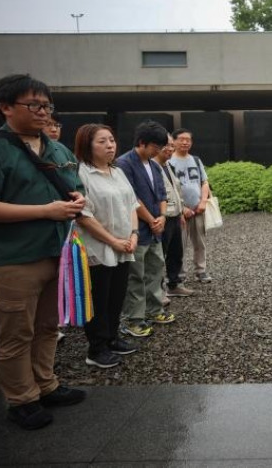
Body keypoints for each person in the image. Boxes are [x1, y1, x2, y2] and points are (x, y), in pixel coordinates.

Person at [0, 73, 88, 430]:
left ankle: (46, 384)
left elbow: (73, 187)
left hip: (57, 253)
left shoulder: (57, 148)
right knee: (16, 331)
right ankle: (21, 399)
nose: (44, 112)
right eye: (35, 105)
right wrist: (45, 211)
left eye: (47, 105)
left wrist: (77, 198)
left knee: (48, 325)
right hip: (14, 258)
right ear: (5, 107)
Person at [74, 124, 141, 368]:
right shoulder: (81, 174)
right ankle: (96, 348)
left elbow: (132, 204)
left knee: (116, 295)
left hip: (124, 245)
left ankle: (113, 337)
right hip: (98, 247)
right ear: (87, 145)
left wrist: (133, 234)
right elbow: (83, 215)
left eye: (111, 140)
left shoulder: (117, 172)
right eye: (102, 141)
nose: (110, 145)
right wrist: (113, 241)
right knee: (98, 298)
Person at [115, 120, 176, 338]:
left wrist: (161, 216)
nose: (159, 151)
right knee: (136, 276)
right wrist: (152, 220)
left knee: (155, 270)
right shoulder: (124, 164)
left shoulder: (154, 165)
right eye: (156, 147)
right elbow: (131, 198)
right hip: (137, 230)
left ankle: (154, 309)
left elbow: (161, 194)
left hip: (154, 229)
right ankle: (135, 319)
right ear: (142, 143)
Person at [153, 133, 195, 298]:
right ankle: (157, 292)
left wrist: (181, 212)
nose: (170, 149)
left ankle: (174, 283)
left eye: (171, 146)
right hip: (162, 218)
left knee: (176, 253)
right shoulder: (152, 166)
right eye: (167, 145)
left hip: (175, 216)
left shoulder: (167, 165)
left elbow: (176, 191)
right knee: (158, 256)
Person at [168, 128, 213, 284]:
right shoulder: (168, 161)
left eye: (188, 139)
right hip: (178, 212)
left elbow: (204, 181)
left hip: (198, 209)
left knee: (200, 242)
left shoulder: (196, 160)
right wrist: (182, 209)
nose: (185, 142)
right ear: (173, 141)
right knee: (179, 244)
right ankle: (179, 273)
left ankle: (201, 270)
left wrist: (203, 202)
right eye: (181, 139)